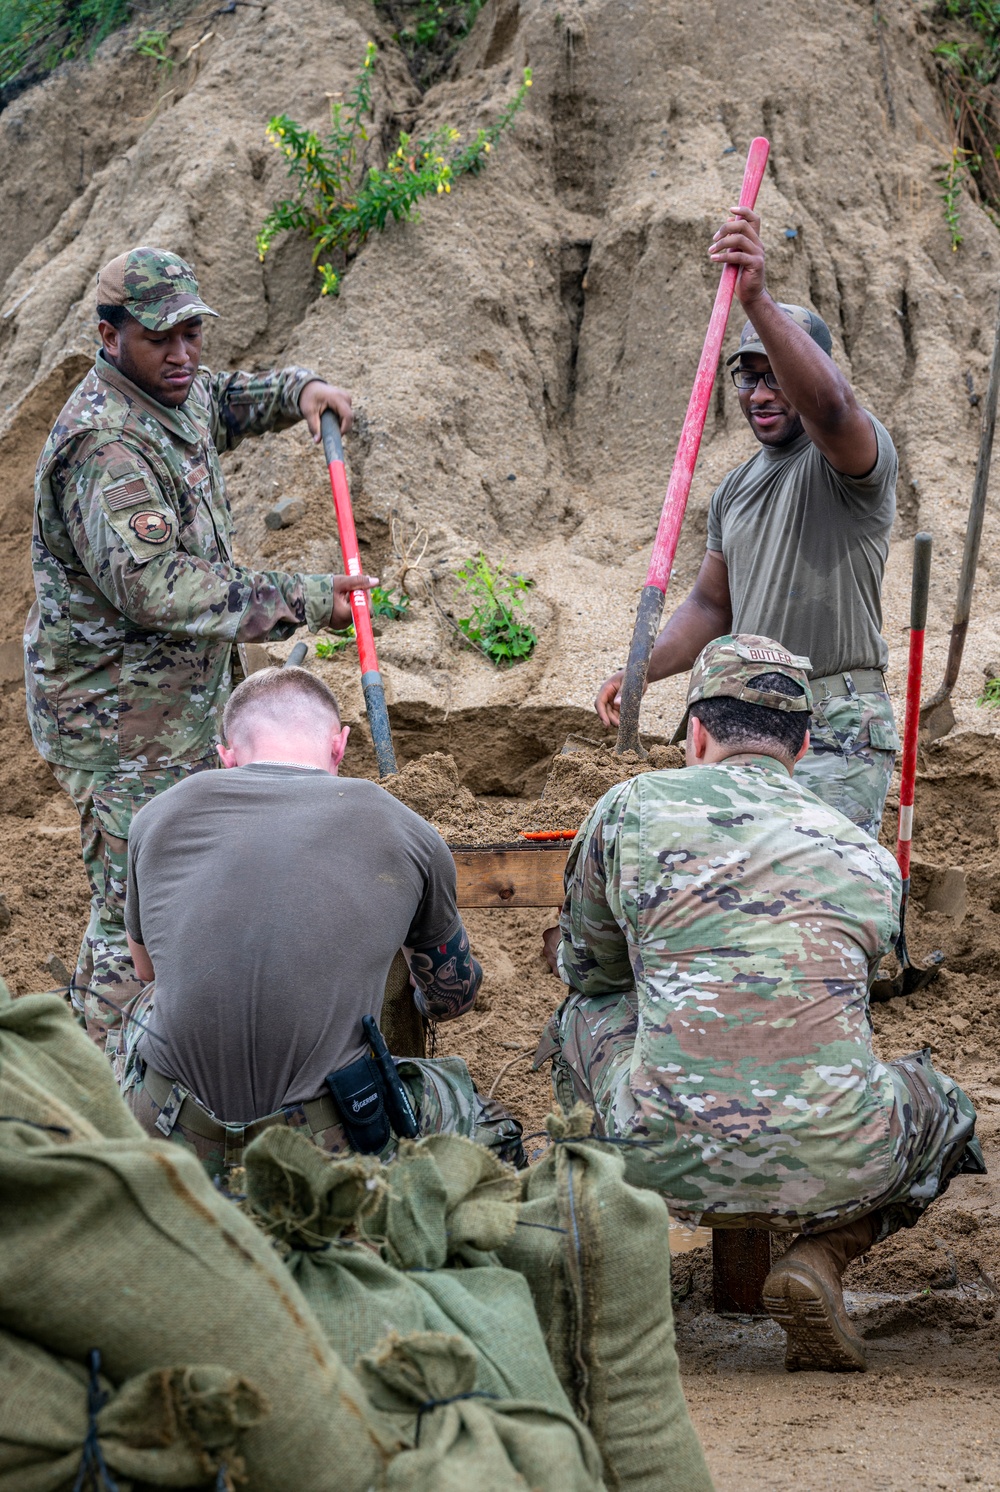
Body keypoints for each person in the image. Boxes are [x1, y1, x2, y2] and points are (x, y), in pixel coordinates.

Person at [543, 635, 983, 1373]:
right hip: (840, 1157)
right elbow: (843, 990)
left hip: (658, 1148)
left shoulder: (630, 808)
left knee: (574, 1021)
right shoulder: (866, 855)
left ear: (698, 734)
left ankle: (604, 1267)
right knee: (947, 1106)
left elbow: (588, 972)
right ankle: (821, 1257)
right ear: (804, 746)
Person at [24, 246, 374, 1067]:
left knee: (175, 887)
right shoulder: (103, 446)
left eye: (192, 333)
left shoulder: (168, 392)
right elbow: (156, 589)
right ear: (110, 337)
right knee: (131, 909)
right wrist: (306, 597)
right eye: (160, 338)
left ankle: (164, 1061)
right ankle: (97, 1097)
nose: (183, 354)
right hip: (118, 723)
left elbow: (222, 399)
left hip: (175, 706)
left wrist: (296, 392)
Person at [121, 665, 524, 1178]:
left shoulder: (155, 817)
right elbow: (453, 998)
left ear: (226, 757)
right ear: (341, 746)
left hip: (175, 1131)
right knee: (486, 1120)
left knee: (140, 1009)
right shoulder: (405, 829)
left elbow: (146, 970)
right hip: (317, 1150)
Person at [594, 205, 900, 839]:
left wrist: (756, 299)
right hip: (755, 716)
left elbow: (833, 404)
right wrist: (642, 668)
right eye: (747, 376)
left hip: (833, 718)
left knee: (825, 890)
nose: (760, 393)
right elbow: (712, 606)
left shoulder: (847, 460)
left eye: (776, 376)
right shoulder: (734, 488)